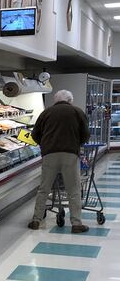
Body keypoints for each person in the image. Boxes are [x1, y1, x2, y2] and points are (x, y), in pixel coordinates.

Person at [28, 89, 90, 233]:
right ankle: (76, 223)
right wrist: (76, 143)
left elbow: (35, 134)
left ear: (55, 100)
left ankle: (36, 220)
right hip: (70, 154)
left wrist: (45, 144)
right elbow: (85, 135)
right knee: (73, 190)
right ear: (70, 100)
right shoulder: (77, 112)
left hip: (49, 154)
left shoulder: (46, 113)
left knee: (44, 188)